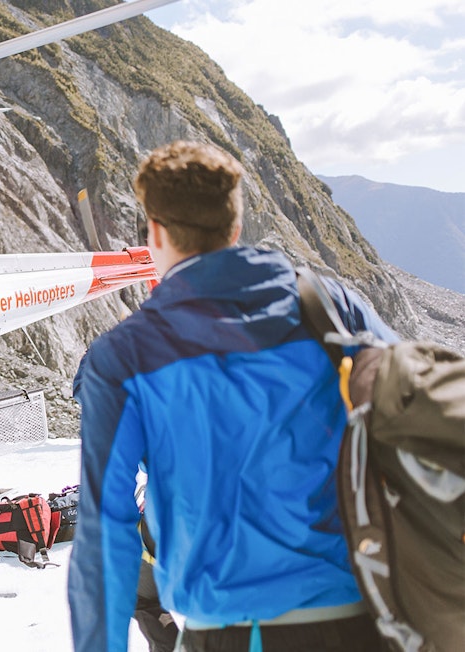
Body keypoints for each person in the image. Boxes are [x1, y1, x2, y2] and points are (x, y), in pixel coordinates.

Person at [69, 140, 398, 652]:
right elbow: (415, 413)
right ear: (235, 228)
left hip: (226, 632)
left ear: (155, 232)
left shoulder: (123, 356)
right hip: (360, 623)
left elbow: (104, 532)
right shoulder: (332, 307)